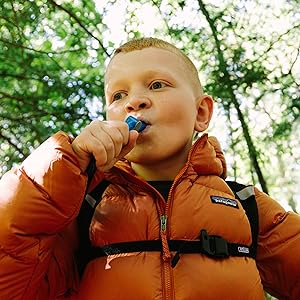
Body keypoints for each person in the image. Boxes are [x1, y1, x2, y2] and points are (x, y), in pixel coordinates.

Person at [0, 37, 299, 300]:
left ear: (201, 112)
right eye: (118, 95)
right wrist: (66, 162)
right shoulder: (82, 208)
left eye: (157, 85)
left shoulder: (246, 205)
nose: (135, 102)